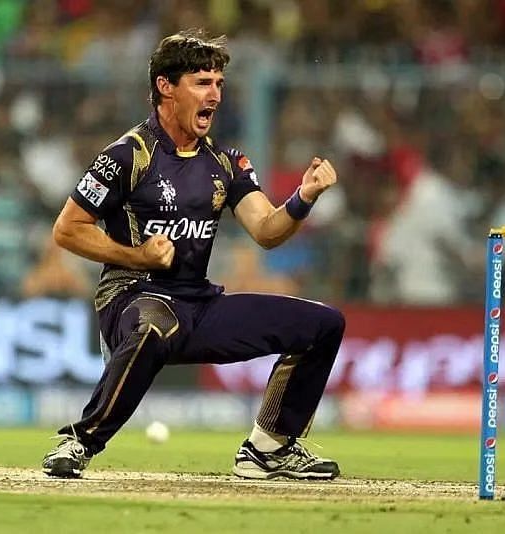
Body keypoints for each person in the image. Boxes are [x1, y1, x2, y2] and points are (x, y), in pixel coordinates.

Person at [41, 29, 344, 481]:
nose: (216, 95)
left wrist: (303, 198)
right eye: (203, 82)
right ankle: (80, 440)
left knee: (323, 325)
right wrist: (139, 256)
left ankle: (269, 448)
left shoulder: (226, 162)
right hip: (131, 296)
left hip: (198, 304)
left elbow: (266, 230)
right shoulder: (126, 156)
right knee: (154, 324)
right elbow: (68, 229)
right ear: (166, 86)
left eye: (220, 84)